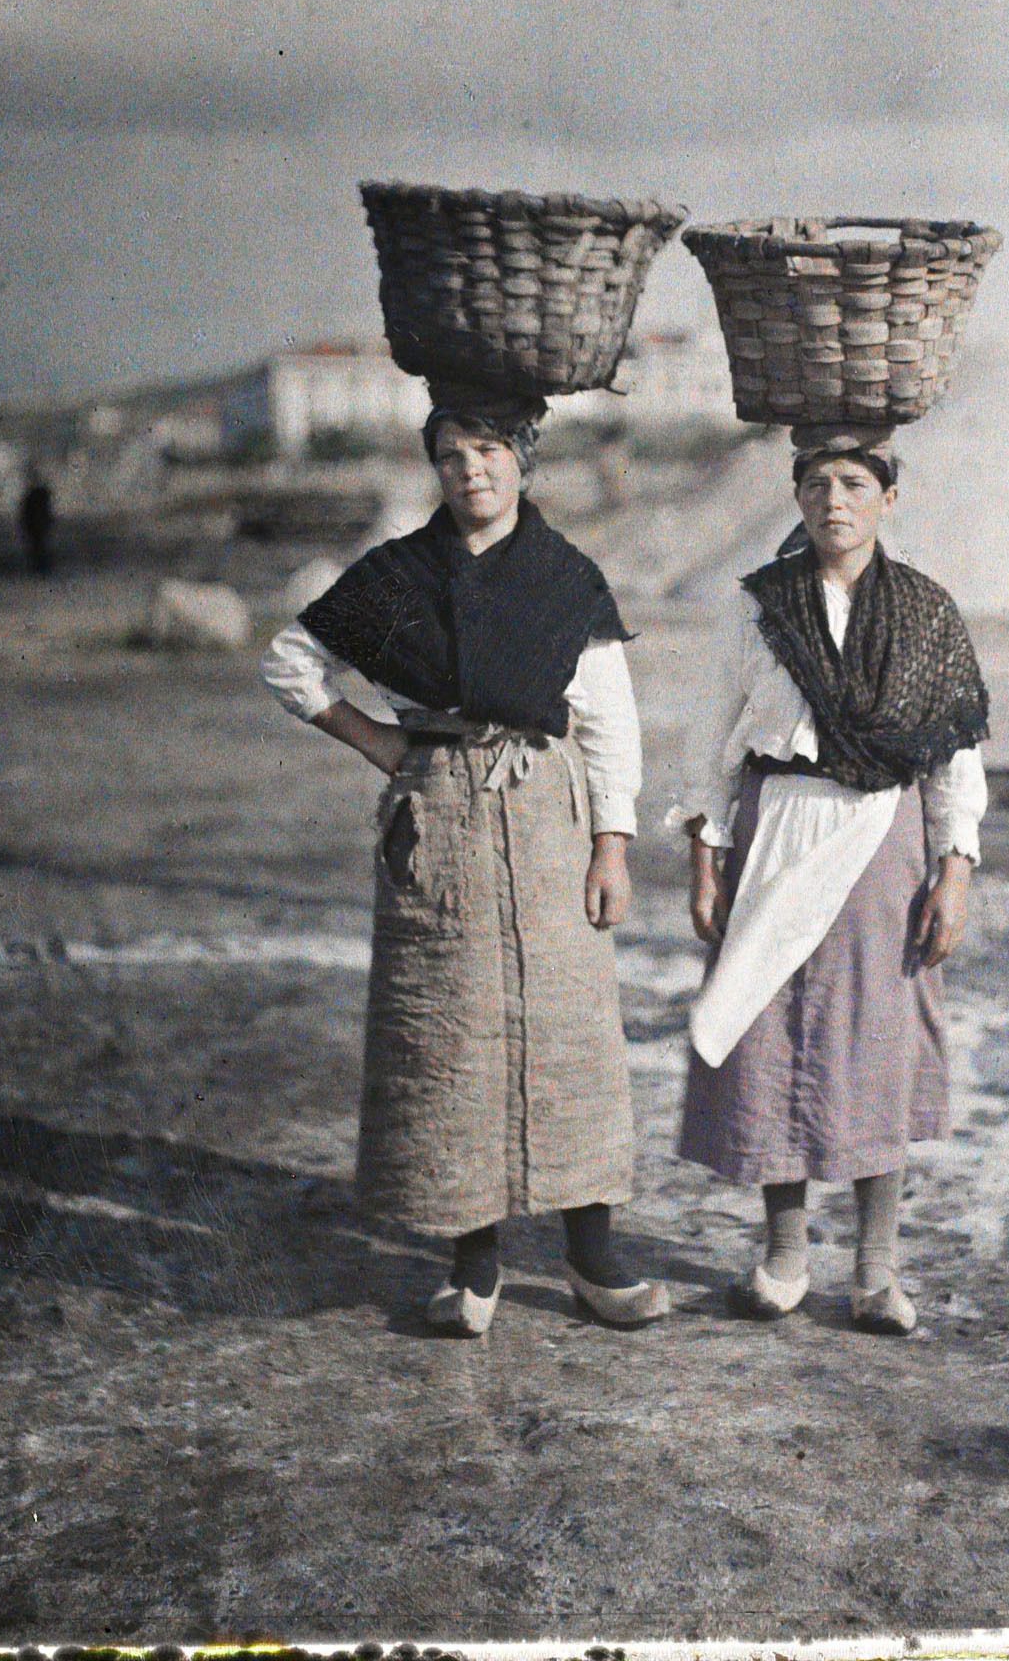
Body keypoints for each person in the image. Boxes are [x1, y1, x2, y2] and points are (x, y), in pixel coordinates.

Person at [262, 388, 668, 1338]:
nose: (471, 470)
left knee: (567, 1029)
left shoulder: (566, 577)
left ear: (522, 460)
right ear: (434, 469)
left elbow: (608, 720)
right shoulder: (397, 574)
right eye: (451, 454)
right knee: (449, 1039)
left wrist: (613, 844)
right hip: (436, 813)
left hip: (547, 813)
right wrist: (378, 742)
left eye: (488, 449)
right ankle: (473, 1265)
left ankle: (590, 1258)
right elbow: (290, 660)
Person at [670, 425, 990, 1336]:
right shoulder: (756, 604)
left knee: (874, 1041)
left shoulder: (926, 611)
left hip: (880, 836)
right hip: (777, 824)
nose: (834, 502)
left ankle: (877, 1269)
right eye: (816, 483)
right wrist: (707, 856)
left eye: (854, 482)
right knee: (768, 1033)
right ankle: (782, 1257)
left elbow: (953, 758)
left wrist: (952, 870)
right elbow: (711, 738)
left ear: (889, 497)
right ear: (796, 495)